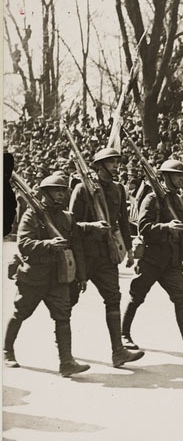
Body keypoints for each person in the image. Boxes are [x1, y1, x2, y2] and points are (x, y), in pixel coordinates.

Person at [121, 160, 183, 356]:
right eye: (178, 175)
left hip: (172, 260)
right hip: (152, 258)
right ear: (167, 176)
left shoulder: (178, 200)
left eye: (182, 176)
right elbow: (143, 227)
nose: (182, 178)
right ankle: (123, 334)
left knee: (181, 298)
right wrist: (166, 227)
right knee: (137, 296)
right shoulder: (152, 199)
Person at [4, 174, 90, 376]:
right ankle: (7, 351)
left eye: (63, 191)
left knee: (63, 316)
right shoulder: (32, 215)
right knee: (21, 312)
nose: (61, 194)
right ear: (45, 193)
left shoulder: (67, 217)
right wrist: (48, 245)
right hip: (34, 276)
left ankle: (66, 362)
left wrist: (82, 276)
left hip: (58, 276)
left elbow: (77, 248)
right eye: (56, 190)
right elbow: (24, 244)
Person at [69, 147, 145, 367]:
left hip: (107, 255)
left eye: (116, 162)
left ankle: (118, 352)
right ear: (99, 165)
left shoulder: (118, 189)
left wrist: (129, 250)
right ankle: (65, 353)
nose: (115, 165)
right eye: (111, 162)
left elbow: (122, 221)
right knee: (67, 302)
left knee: (113, 299)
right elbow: (71, 225)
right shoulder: (82, 189)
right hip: (84, 255)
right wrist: (92, 227)